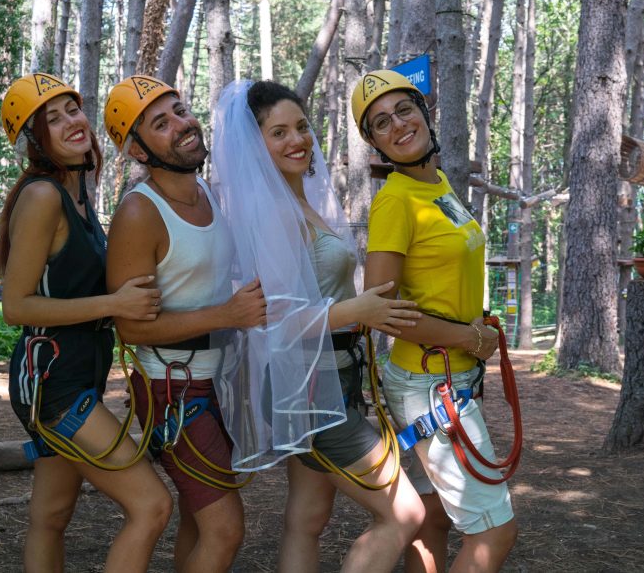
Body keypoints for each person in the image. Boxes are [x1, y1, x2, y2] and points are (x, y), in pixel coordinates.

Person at [210, 79, 426, 573]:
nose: (298, 141)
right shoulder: (273, 216)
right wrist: (360, 312)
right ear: (254, 147)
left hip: (324, 379)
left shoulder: (300, 203)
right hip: (306, 385)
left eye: (302, 127)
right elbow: (274, 324)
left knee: (308, 517)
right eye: (279, 133)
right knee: (405, 513)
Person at [0, 73, 171, 572]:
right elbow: (18, 307)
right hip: (54, 381)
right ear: (35, 140)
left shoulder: (77, 195)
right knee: (151, 505)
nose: (72, 121)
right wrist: (113, 304)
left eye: (73, 109)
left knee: (51, 514)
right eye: (52, 118)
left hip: (70, 375)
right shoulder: (43, 197)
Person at [352, 69, 517, 572]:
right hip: (429, 383)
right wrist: (468, 335)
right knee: (494, 530)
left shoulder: (438, 184)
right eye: (381, 123)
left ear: (424, 113)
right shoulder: (396, 201)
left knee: (431, 520)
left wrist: (473, 325)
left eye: (404, 110)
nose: (398, 125)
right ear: (374, 142)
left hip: (443, 372)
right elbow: (382, 312)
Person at [103, 75, 267, 573]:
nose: (182, 124)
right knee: (226, 528)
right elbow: (130, 329)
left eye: (180, 110)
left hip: (216, 382)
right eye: (161, 122)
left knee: (199, 524)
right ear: (136, 151)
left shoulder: (208, 194)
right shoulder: (139, 212)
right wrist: (227, 316)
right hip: (173, 391)